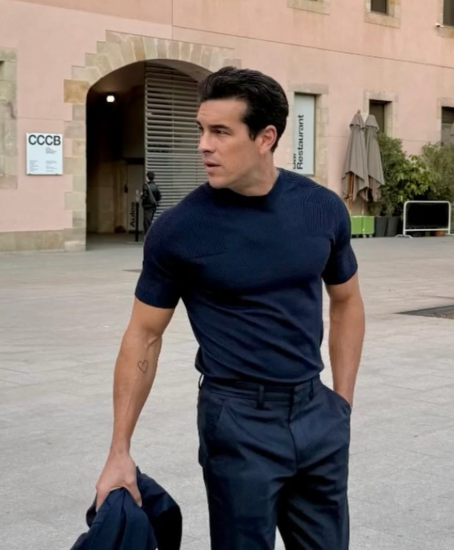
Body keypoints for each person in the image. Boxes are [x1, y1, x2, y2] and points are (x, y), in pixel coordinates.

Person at [95, 67, 365, 550]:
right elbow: (144, 335)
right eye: (201, 129)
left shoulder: (322, 209)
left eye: (220, 131)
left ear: (266, 137)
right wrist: (119, 450)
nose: (204, 145)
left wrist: (340, 404)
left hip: (316, 415)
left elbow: (346, 301)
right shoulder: (180, 229)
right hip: (237, 421)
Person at [140, 171, 161, 235]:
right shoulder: (156, 186)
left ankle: (148, 235)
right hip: (153, 206)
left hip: (147, 206)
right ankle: (150, 234)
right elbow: (159, 197)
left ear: (147, 177)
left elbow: (144, 196)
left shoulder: (146, 186)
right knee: (149, 220)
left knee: (147, 222)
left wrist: (141, 195)